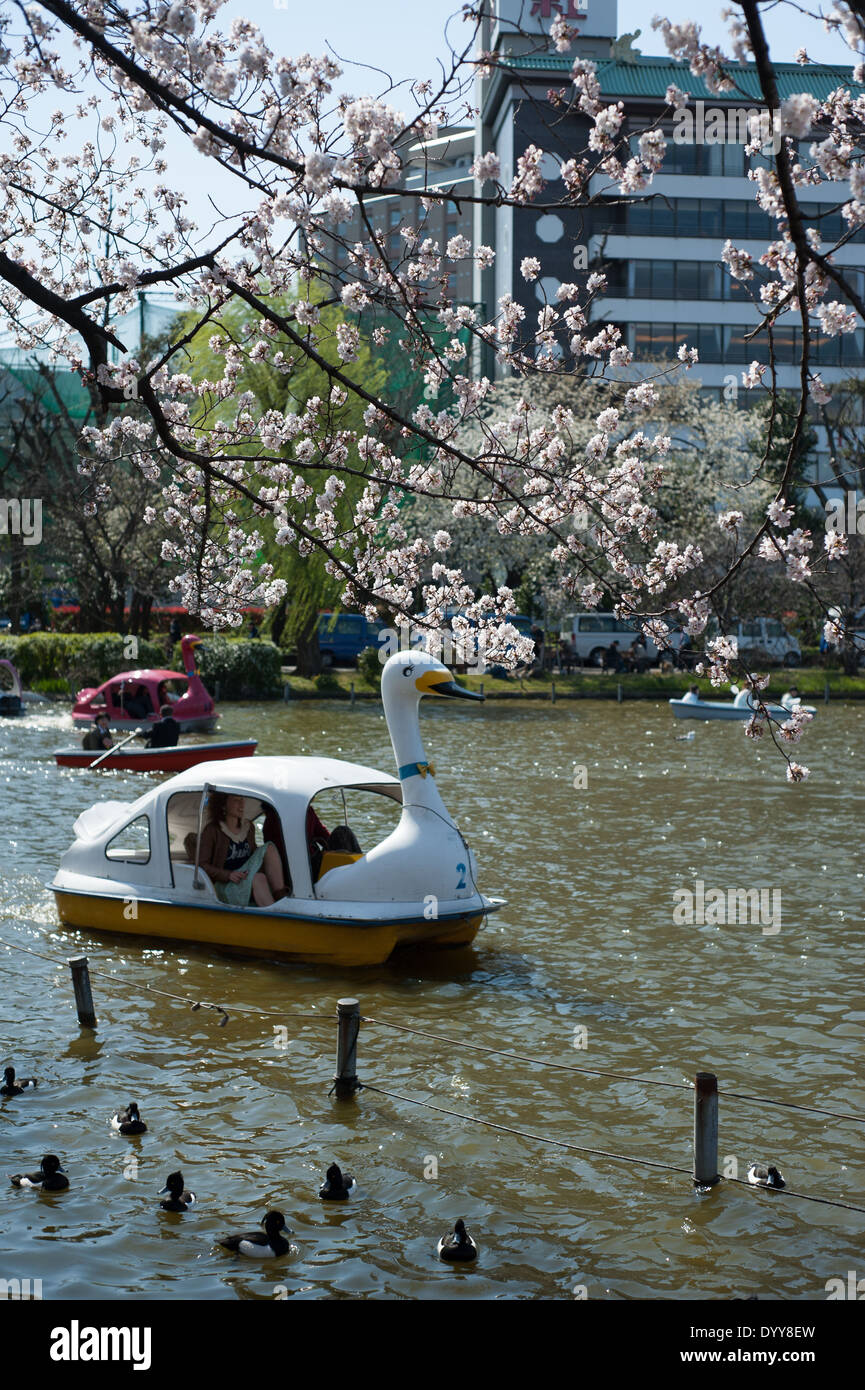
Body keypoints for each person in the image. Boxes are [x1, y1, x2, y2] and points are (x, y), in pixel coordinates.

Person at [198, 793, 289, 907]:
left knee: (269, 849)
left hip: (246, 878)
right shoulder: (212, 831)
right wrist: (228, 875)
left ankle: (281, 900)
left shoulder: (248, 827)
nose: (242, 804)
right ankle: (276, 918)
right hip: (226, 885)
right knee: (258, 878)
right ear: (223, 805)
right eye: (236, 800)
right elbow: (202, 865)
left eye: (242, 800)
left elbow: (253, 858)